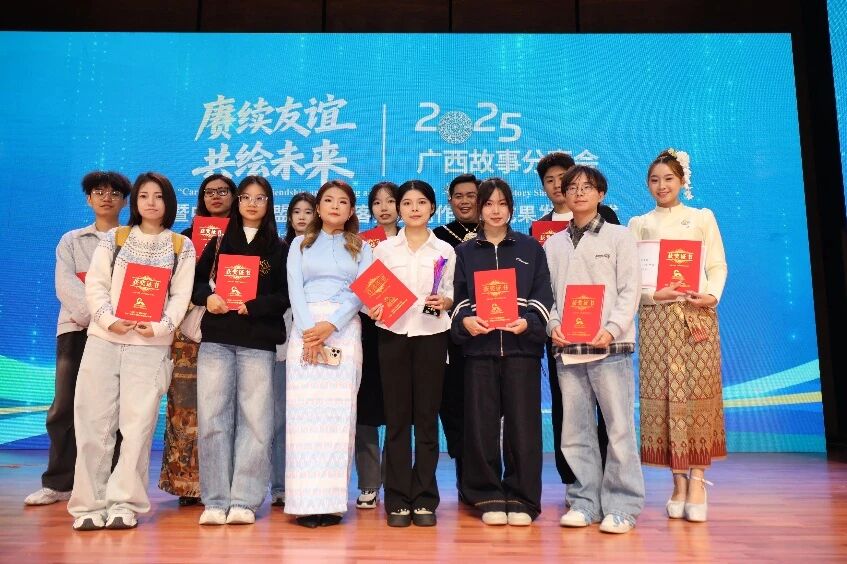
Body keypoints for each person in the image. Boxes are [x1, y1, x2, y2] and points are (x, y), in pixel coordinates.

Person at [68, 172, 196, 530]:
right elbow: (96, 285)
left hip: (150, 347)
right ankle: (88, 505)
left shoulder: (181, 246)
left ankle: (124, 503)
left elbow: (180, 297)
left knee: (137, 428)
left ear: (169, 202)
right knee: (93, 424)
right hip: (104, 340)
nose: (151, 202)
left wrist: (160, 326)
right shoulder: (116, 238)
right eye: (144, 196)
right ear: (135, 202)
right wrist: (109, 320)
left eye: (158, 196)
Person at [628, 149, 727, 523]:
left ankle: (698, 479)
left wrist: (711, 295)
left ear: (682, 181)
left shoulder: (701, 217)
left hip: (696, 314)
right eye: (654, 180)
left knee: (699, 394)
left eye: (668, 178)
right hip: (656, 320)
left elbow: (717, 264)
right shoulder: (639, 224)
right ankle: (677, 482)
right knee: (666, 396)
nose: (661, 186)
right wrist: (654, 295)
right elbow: (631, 281)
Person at [546, 165, 644, 534]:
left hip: (610, 346)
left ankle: (622, 506)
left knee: (618, 429)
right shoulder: (554, 244)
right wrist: (553, 325)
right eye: (572, 187)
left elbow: (630, 290)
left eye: (587, 187)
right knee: (575, 430)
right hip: (568, 348)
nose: (579, 193)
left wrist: (612, 328)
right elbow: (548, 294)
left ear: (601, 194)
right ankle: (584, 502)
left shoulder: (620, 237)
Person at [451, 178, 553, 527]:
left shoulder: (530, 247)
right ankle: (486, 494)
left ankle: (523, 497)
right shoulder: (465, 252)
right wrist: (466, 320)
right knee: (480, 425)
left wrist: (529, 322)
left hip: (521, 349)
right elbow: (458, 297)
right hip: (479, 350)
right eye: (489, 204)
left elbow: (543, 293)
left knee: (524, 426)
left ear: (511, 207)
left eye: (502, 203)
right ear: (480, 209)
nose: (496, 210)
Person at [25, 172, 130, 507]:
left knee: (116, 409)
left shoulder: (134, 240)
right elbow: (65, 285)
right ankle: (59, 483)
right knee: (65, 405)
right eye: (99, 192)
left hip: (121, 334)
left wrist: (114, 323)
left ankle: (111, 484)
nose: (106, 198)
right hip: (76, 330)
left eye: (114, 193)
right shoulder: (71, 240)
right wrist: (101, 317)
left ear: (124, 201)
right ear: (89, 199)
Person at [194, 175, 289, 526]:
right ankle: (215, 500)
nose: (252, 203)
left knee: (256, 421)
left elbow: (285, 295)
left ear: (269, 204)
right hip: (217, 339)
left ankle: (244, 500)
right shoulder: (219, 241)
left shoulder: (279, 247)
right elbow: (195, 282)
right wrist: (209, 298)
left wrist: (257, 305)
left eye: (260, 198)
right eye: (246, 197)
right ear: (237, 201)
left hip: (257, 341)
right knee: (212, 419)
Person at [285, 180, 372, 528]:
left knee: (339, 418)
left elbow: (361, 293)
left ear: (351, 211)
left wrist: (331, 325)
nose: (335, 206)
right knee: (303, 419)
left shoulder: (362, 247)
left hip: (344, 330)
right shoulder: (299, 244)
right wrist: (311, 332)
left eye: (343, 202)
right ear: (318, 208)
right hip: (305, 331)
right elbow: (295, 289)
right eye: (328, 200)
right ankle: (304, 503)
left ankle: (332, 504)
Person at [370, 180, 455, 527]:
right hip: (393, 336)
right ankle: (397, 500)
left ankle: (424, 499)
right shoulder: (384, 250)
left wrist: (446, 300)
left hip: (432, 336)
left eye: (422, 202)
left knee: (427, 420)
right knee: (397, 420)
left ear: (432, 208)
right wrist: (372, 306)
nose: (414, 208)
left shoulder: (445, 249)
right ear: (399, 209)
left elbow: (451, 291)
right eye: (407, 203)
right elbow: (368, 294)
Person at [534, 152, 614, 485]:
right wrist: (551, 325)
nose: (558, 186)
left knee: (608, 408)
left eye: (563, 179)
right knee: (567, 406)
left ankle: (608, 475)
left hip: (602, 330)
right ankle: (573, 479)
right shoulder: (540, 229)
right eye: (550, 181)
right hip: (562, 331)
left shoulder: (607, 220)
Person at [159, 173, 236, 506]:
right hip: (188, 329)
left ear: (234, 196)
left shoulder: (246, 237)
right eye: (208, 192)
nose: (215, 196)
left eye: (222, 191)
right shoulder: (184, 239)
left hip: (229, 325)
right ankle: (186, 483)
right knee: (185, 406)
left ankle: (224, 483)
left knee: (223, 408)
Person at [432, 173, 479, 501]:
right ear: (449, 201)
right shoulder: (437, 238)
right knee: (454, 406)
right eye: (458, 196)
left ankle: (485, 476)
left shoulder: (497, 235)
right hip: (448, 336)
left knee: (486, 409)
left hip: (489, 334)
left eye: (471, 195)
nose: (464, 201)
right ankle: (465, 478)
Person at [270, 191, 316, 508]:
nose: (301, 217)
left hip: (317, 339)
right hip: (282, 342)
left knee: (310, 418)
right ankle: (280, 486)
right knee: (279, 418)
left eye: (308, 211)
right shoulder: (278, 249)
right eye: (296, 211)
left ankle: (309, 483)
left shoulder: (328, 250)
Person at [355, 181, 398, 510]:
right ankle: (369, 483)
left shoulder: (415, 241)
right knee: (365, 411)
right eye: (377, 202)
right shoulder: (358, 243)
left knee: (399, 410)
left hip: (402, 329)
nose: (384, 207)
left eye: (391, 201)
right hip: (368, 331)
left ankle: (395, 479)